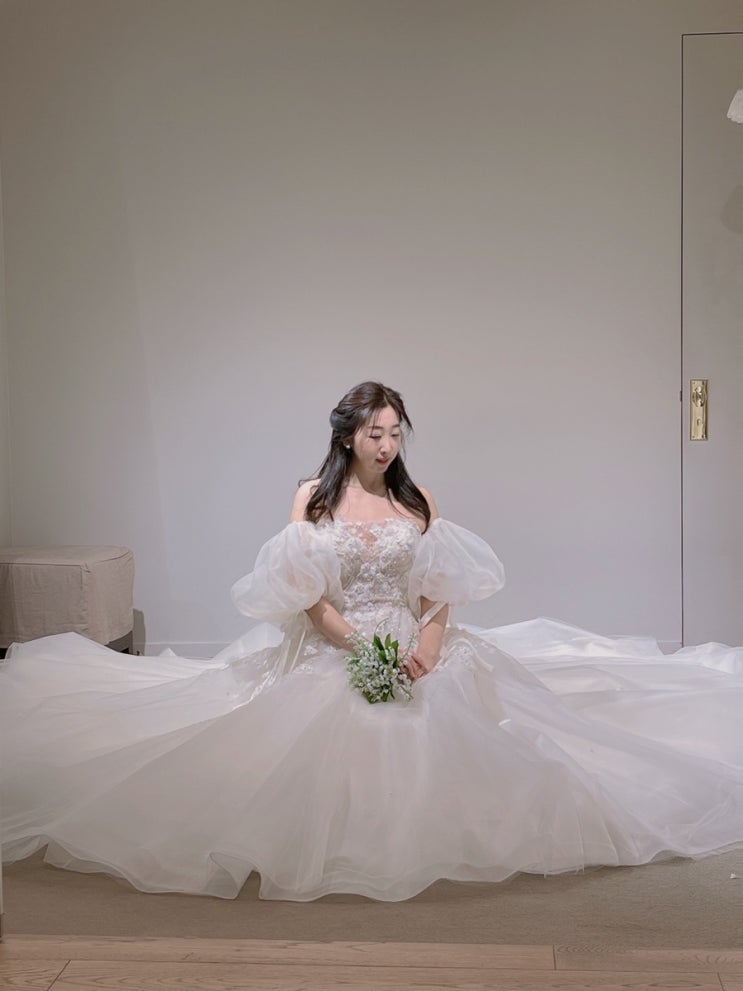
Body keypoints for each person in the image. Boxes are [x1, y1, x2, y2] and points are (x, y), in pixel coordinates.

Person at [2, 380, 743, 902]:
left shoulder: (416, 500)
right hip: (337, 640)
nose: (386, 445)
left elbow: (438, 589)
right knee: (318, 728)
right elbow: (308, 597)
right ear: (346, 436)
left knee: (473, 726)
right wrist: (359, 646)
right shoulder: (312, 498)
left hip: (410, 636)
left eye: (395, 433)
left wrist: (428, 644)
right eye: (374, 433)